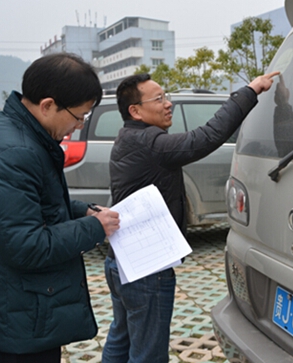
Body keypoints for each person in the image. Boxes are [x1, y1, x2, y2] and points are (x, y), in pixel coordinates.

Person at [103, 71, 279, 363]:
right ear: (135, 110)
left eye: (166, 96)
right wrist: (249, 91)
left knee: (121, 338)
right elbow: (207, 137)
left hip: (120, 260)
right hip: (146, 268)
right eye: (159, 99)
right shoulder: (150, 142)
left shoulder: (128, 137)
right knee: (147, 353)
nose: (167, 104)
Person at [0, 53, 121, 363]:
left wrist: (82, 211)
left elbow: (27, 205)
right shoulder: (15, 153)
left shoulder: (12, 130)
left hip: (5, 308)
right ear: (47, 105)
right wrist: (94, 228)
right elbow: (26, 246)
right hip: (15, 326)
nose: (78, 125)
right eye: (78, 116)